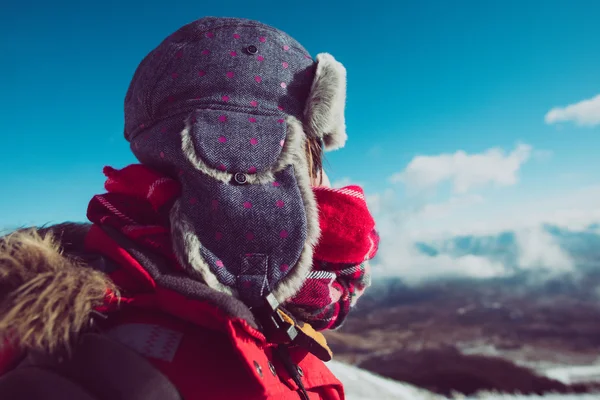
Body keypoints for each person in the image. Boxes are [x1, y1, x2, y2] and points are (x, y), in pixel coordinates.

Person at [0, 17, 379, 400]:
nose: (329, 188)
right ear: (247, 166)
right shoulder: (96, 368)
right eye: (312, 167)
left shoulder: (257, 324)